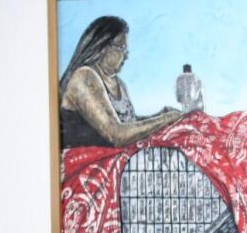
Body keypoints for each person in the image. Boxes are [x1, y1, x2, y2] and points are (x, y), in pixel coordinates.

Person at [58, 16, 183, 149]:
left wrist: (159, 115)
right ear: (102, 47)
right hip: (85, 164)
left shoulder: (120, 84)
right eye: (121, 47)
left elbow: (129, 125)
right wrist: (166, 119)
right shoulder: (84, 77)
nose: (126, 55)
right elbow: (116, 135)